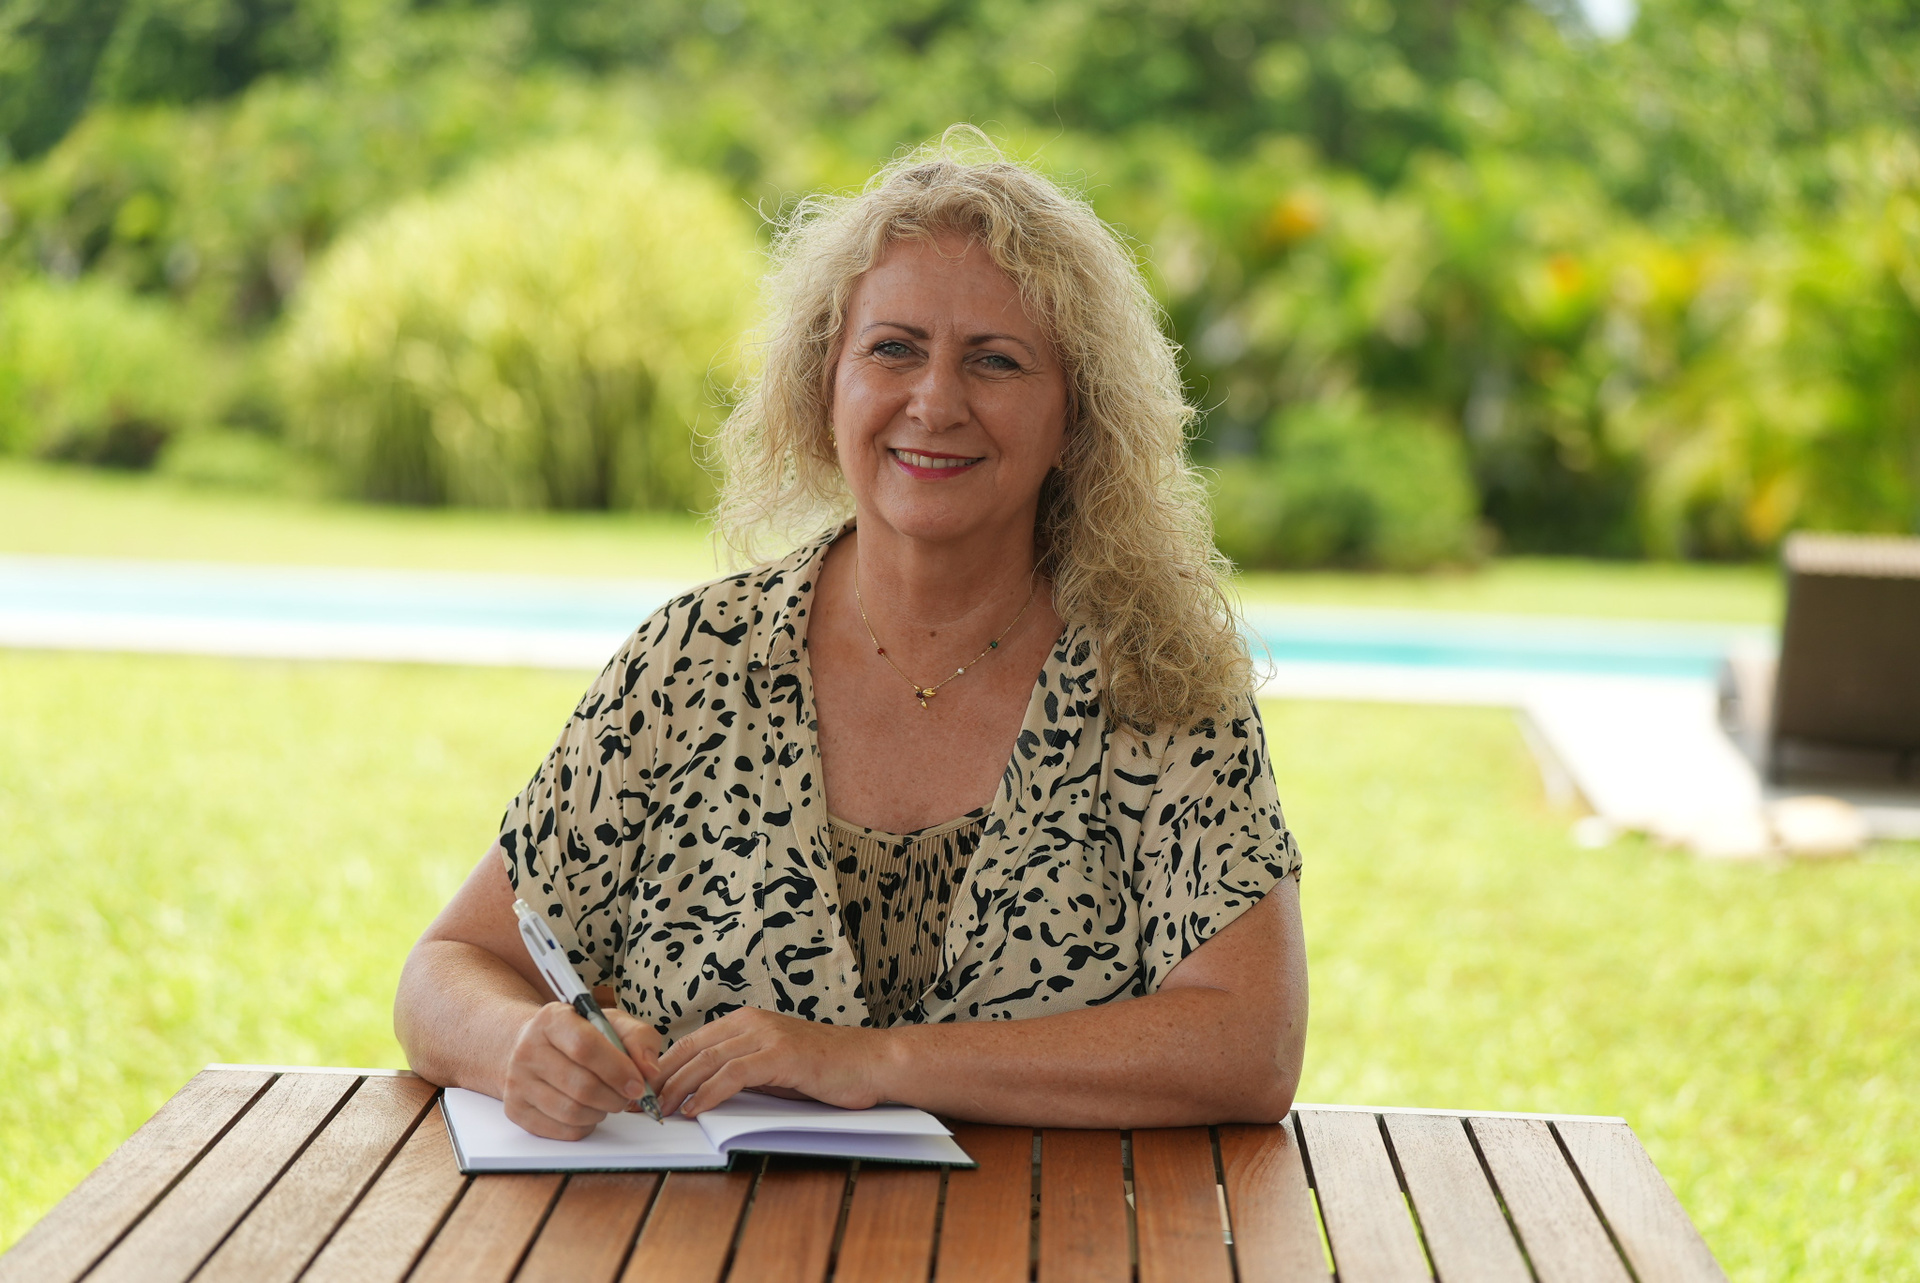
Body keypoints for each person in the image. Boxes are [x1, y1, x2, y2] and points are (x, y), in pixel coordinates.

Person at [394, 133, 1307, 1141]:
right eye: (893, 349)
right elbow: (448, 968)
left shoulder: (1154, 674)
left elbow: (1250, 1044)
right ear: (824, 384)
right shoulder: (693, 658)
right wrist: (520, 1046)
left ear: (1075, 419)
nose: (936, 401)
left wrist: (874, 1062)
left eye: (995, 360)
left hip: (1060, 1225)